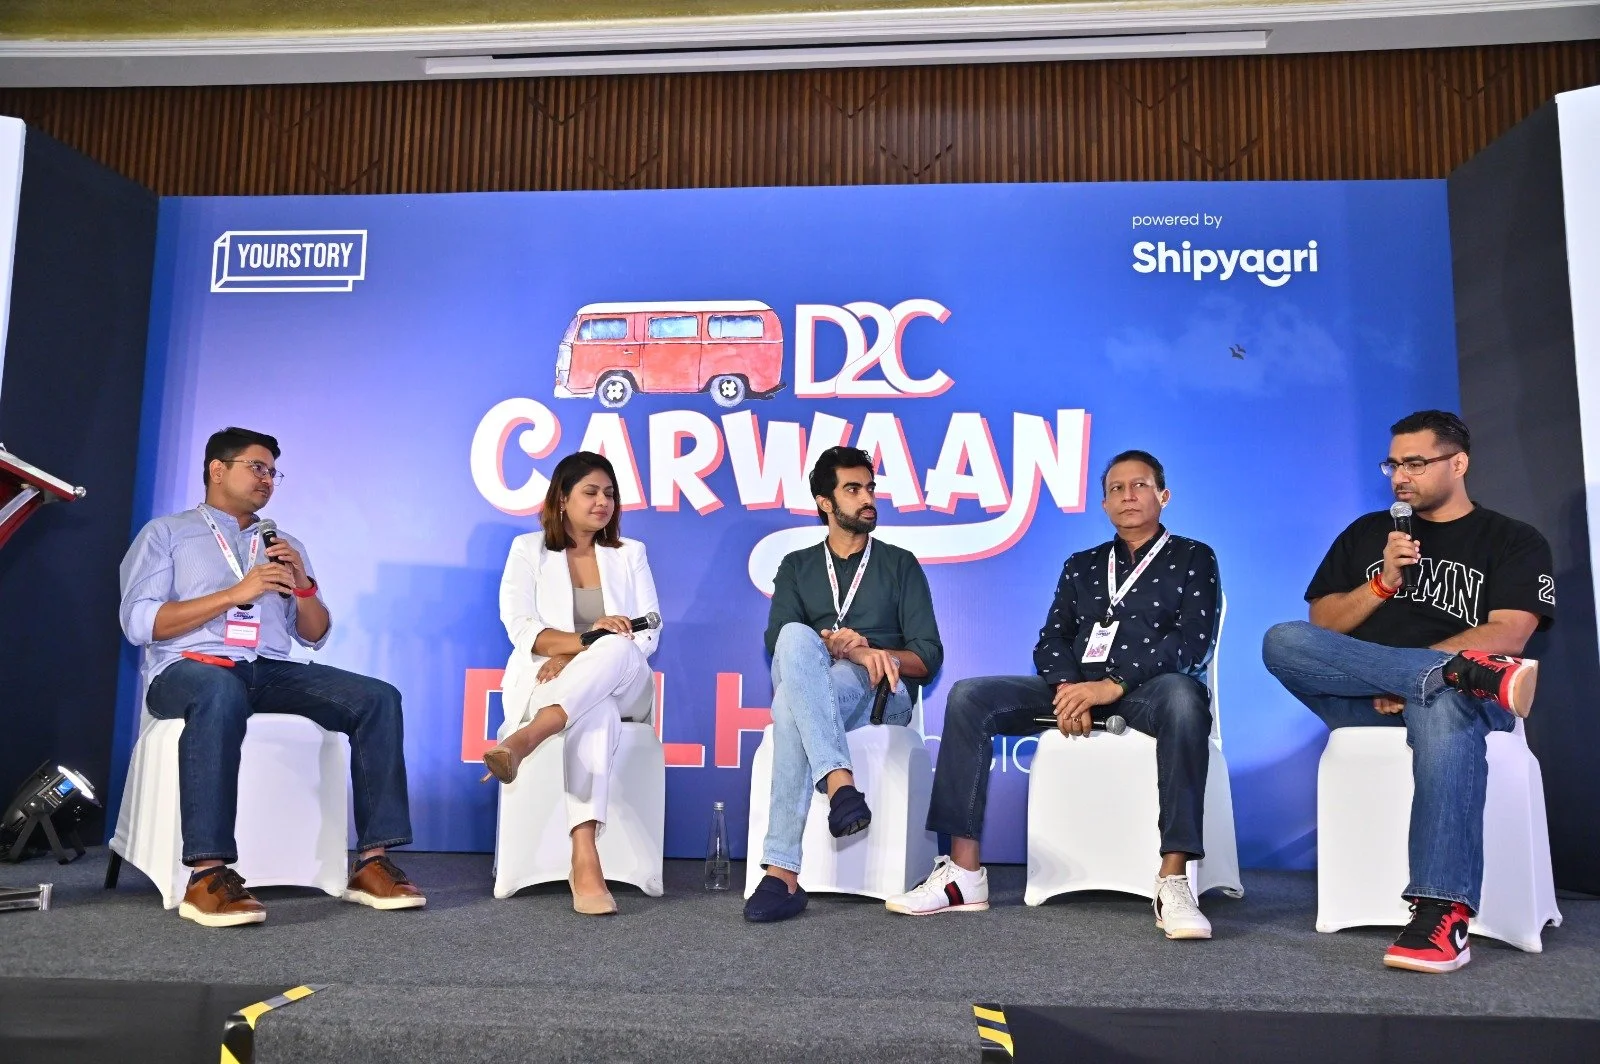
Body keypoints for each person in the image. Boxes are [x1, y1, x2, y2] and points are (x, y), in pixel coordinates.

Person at [1262, 410, 1553, 974]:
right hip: (1366, 699)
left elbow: (1510, 633)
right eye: (1393, 464)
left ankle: (1441, 913)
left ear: (1458, 463)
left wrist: (1417, 678)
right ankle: (1441, 675)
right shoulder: (1368, 534)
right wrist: (1382, 583)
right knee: (1281, 640)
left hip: (1471, 702)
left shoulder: (1513, 539)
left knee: (1441, 705)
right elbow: (1321, 627)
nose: (1400, 476)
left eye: (1415, 463)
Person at [888, 450, 1221, 939]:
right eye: (1116, 488)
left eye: (1140, 485)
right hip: (1076, 688)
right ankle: (963, 874)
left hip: (1148, 692)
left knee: (1185, 698)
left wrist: (1112, 685)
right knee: (969, 696)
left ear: (1163, 495)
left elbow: (1191, 642)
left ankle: (1173, 879)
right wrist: (1068, 689)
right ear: (1104, 505)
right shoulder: (1082, 565)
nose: (1128, 496)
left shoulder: (1194, 556)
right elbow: (1052, 639)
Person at [119, 427, 424, 928]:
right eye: (256, 468)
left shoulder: (283, 544)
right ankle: (207, 874)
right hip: (187, 668)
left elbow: (314, 635)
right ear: (218, 470)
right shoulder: (166, 534)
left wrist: (303, 586)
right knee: (219, 691)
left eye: (273, 472)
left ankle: (372, 862)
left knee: (377, 697)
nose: (267, 479)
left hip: (265, 669)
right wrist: (235, 593)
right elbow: (138, 623)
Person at [743, 446, 944, 923]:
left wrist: (874, 653)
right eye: (852, 489)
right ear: (825, 503)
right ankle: (841, 785)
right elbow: (780, 642)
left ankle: (781, 873)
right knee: (795, 639)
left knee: (790, 705)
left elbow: (928, 657)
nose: (867, 498)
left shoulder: (900, 564)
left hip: (882, 691)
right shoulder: (797, 566)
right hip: (821, 678)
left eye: (870, 488)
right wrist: (845, 647)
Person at [482, 451, 661, 916]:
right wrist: (581, 643)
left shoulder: (630, 553)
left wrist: (588, 649)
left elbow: (648, 633)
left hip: (626, 681)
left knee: (617, 647)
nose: (603, 502)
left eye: (610, 494)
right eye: (591, 492)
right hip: (552, 680)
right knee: (594, 708)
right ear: (562, 499)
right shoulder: (528, 550)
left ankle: (528, 738)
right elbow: (521, 628)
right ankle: (585, 856)